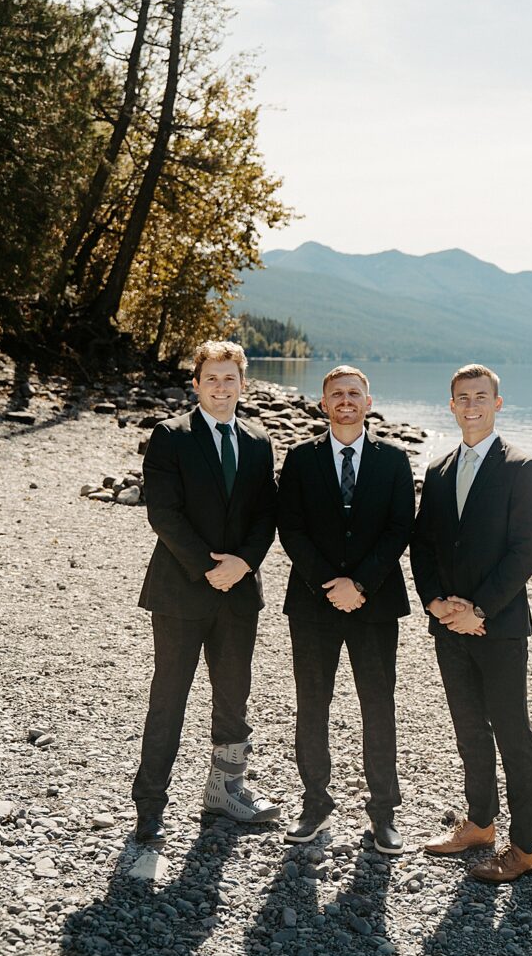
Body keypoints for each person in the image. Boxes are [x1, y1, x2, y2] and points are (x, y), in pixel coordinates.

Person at [132, 340, 279, 843]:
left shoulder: (258, 440)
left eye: (230, 378)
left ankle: (225, 792)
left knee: (234, 697)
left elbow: (266, 513)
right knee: (169, 696)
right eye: (211, 378)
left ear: (243, 383)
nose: (221, 387)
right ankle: (150, 804)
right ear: (196, 384)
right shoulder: (170, 436)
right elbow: (163, 512)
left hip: (239, 592)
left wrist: (242, 563)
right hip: (180, 590)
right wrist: (206, 567)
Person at [410, 364, 532, 882]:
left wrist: (479, 609)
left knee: (513, 735)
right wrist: (435, 603)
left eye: (481, 396)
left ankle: (525, 848)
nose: (471, 405)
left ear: (497, 403)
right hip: (448, 625)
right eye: (462, 397)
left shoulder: (522, 467)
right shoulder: (440, 469)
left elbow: (526, 549)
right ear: (451, 405)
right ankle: (481, 823)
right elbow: (422, 544)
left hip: (500, 625)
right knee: (468, 729)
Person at [277, 366, 415, 855]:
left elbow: (401, 527)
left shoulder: (394, 460)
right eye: (336, 394)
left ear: (368, 401)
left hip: (375, 604)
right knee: (312, 705)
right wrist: (327, 584)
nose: (345, 400)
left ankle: (383, 813)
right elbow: (289, 528)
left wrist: (360, 583)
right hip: (313, 605)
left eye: (354, 393)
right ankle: (315, 802)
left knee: (378, 706)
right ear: (323, 404)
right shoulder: (299, 459)